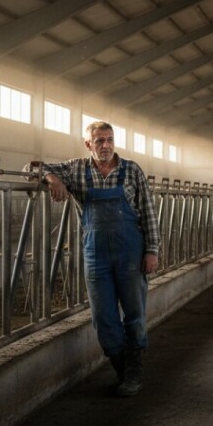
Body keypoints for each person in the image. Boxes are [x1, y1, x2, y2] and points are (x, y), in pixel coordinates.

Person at [37, 121, 160, 397]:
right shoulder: (76, 168)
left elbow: (148, 211)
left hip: (131, 250)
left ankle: (133, 369)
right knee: (102, 315)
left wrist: (152, 250)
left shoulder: (132, 170)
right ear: (88, 144)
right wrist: (52, 178)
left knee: (134, 311)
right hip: (96, 253)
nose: (105, 145)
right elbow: (31, 168)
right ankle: (122, 366)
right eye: (99, 140)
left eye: (109, 139)